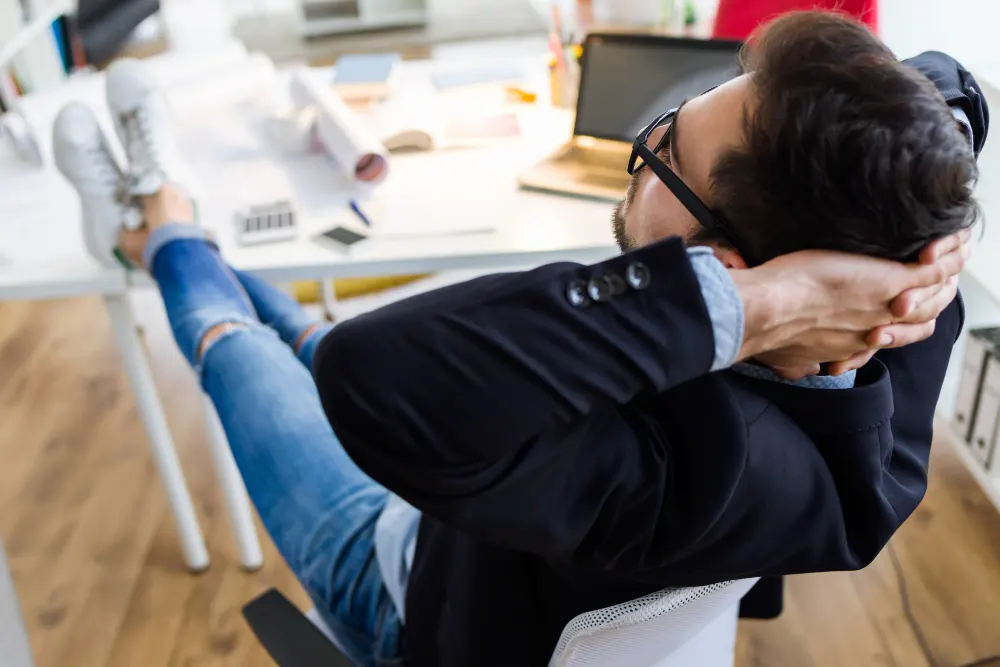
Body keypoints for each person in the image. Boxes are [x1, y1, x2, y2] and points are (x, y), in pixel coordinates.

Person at [51, 11, 982, 667]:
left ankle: (159, 218)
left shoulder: (678, 476)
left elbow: (372, 375)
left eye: (661, 150)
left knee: (240, 343)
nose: (642, 142)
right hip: (489, 473)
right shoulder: (892, 348)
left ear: (733, 269)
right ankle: (158, 223)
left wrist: (752, 306)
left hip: (407, 579)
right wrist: (937, 219)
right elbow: (949, 85)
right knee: (297, 323)